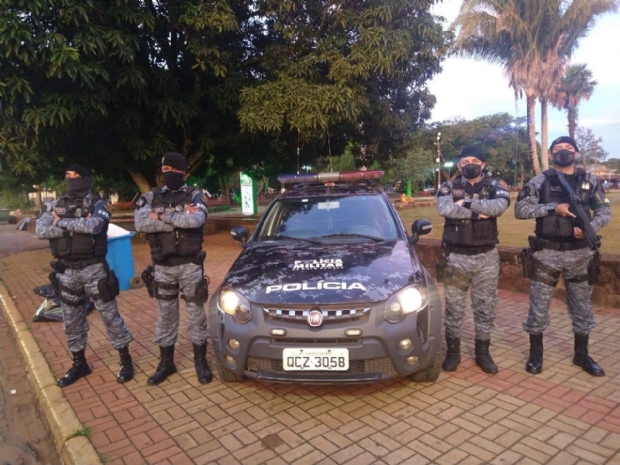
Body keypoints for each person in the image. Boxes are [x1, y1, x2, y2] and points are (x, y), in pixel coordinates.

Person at [515, 136, 611, 376]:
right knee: (538, 307)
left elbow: (604, 211)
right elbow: (520, 209)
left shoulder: (590, 181)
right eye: (558, 149)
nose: (563, 152)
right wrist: (552, 208)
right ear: (550, 154)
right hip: (547, 253)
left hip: (581, 254)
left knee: (582, 308)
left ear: (576, 153)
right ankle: (536, 355)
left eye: (569, 148)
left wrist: (590, 227)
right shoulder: (539, 181)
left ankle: (582, 355)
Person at [36, 165, 134, 387]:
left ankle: (125, 360)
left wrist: (59, 222)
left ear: (87, 179)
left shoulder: (101, 203)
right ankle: (79, 364)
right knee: (71, 321)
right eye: (67, 175)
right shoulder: (53, 204)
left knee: (110, 316)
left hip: (94, 270)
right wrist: (76, 225)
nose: (71, 180)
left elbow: (95, 226)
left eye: (76, 176)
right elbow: (41, 230)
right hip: (66, 272)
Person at [135, 152, 212, 385]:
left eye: (172, 169)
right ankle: (166, 364)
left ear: (182, 171)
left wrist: (159, 217)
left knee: (196, 316)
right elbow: (140, 223)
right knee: (166, 317)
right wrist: (177, 217)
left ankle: (201, 362)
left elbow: (195, 221)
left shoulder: (196, 195)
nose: (167, 173)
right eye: (164, 169)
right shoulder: (149, 197)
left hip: (190, 266)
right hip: (162, 267)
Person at [436, 146, 510, 374]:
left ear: (483, 164)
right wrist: (479, 211)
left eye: (475, 160)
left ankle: (483, 353)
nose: (469, 164)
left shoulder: (496, 186)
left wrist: (465, 204)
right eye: (465, 160)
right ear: (459, 165)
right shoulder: (447, 187)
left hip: (486, 258)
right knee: (454, 309)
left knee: (485, 307)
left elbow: (498, 207)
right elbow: (445, 209)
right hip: (456, 257)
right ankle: (453, 353)